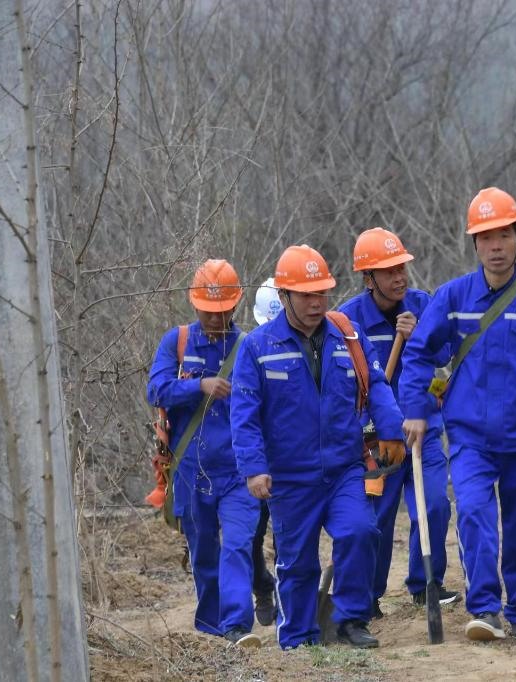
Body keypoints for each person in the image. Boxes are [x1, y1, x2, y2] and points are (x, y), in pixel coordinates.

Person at [399, 188, 516, 644]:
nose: (496, 247)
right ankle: (484, 608)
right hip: (470, 437)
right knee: (474, 515)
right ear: (475, 244)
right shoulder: (453, 296)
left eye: (504, 235)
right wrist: (416, 411)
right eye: (486, 238)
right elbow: (418, 354)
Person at [230, 244, 406, 650]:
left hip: (344, 468)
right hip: (290, 477)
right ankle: (299, 637)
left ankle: (350, 620)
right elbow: (244, 414)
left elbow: (377, 385)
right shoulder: (257, 347)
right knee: (297, 561)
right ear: (284, 296)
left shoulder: (348, 334)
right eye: (306, 295)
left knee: (361, 531)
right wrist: (254, 468)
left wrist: (392, 430)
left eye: (321, 293)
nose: (316, 303)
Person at [338, 227, 459, 620]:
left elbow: (446, 354)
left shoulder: (424, 304)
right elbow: (346, 379)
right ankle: (368, 596)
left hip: (425, 428)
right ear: (368, 278)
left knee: (435, 505)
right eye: (388, 271)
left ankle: (426, 584)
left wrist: (420, 335)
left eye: (401, 268)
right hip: (379, 439)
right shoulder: (348, 319)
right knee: (377, 517)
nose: (399, 277)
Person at [146, 259, 261, 647]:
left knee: (238, 544)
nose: (216, 318)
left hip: (239, 471)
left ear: (237, 304)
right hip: (190, 471)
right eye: (208, 311)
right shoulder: (176, 342)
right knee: (204, 553)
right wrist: (198, 386)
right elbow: (156, 390)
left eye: (223, 310)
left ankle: (237, 625)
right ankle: (211, 630)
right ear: (194, 305)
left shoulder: (248, 347)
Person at [249, 278, 283, 626]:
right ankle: (262, 586)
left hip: (291, 459)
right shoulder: (249, 352)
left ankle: (290, 599)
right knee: (252, 535)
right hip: (257, 460)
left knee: (288, 535)